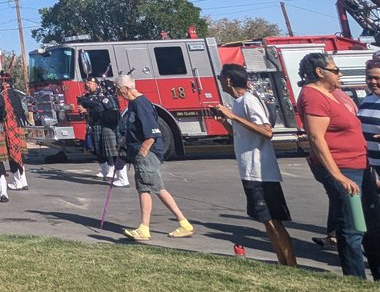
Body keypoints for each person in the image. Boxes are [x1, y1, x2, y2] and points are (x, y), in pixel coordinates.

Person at [297, 51, 380, 280]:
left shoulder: (335, 93)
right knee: (353, 227)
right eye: (335, 70)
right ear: (320, 72)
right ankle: (356, 280)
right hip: (344, 168)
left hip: (362, 166)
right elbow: (317, 139)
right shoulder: (313, 96)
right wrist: (338, 176)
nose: (340, 74)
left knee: (373, 227)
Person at [212, 64, 296, 266]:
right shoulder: (238, 102)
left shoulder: (249, 100)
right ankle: (282, 263)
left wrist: (233, 116)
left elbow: (267, 132)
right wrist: (226, 122)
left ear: (230, 80)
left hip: (261, 172)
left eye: (221, 77)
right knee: (266, 222)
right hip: (249, 172)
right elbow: (240, 133)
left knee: (273, 221)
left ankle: (291, 265)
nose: (220, 81)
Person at [114, 74, 194, 241]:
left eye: (118, 89)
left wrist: (144, 149)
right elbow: (136, 129)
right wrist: (124, 141)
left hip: (147, 154)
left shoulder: (140, 104)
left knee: (149, 187)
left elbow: (152, 131)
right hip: (139, 152)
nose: (118, 93)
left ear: (126, 88)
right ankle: (182, 223)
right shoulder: (134, 105)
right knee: (151, 187)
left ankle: (146, 228)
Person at [79, 76, 126, 186]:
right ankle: (105, 170)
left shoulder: (105, 97)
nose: (88, 85)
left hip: (105, 125)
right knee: (98, 149)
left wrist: (88, 110)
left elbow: (111, 113)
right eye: (87, 83)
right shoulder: (87, 97)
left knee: (112, 152)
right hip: (94, 124)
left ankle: (116, 174)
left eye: (90, 83)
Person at [0, 72, 30, 191]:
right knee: (20, 155)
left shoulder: (3, 95)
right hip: (19, 125)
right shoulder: (16, 94)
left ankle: (18, 182)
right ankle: (23, 181)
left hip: (10, 126)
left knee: (13, 153)